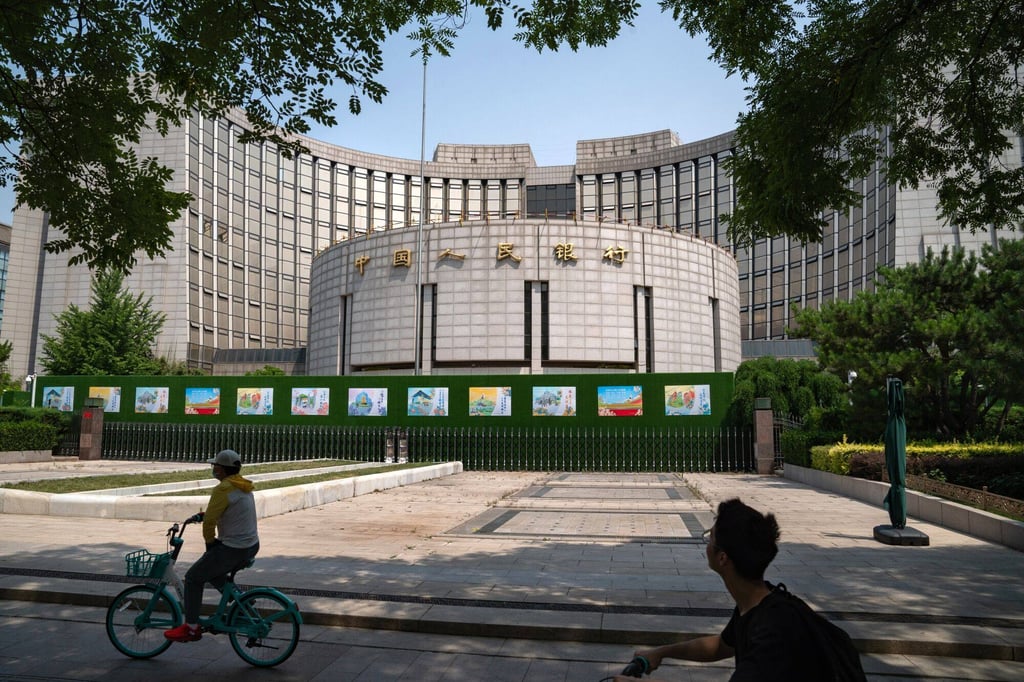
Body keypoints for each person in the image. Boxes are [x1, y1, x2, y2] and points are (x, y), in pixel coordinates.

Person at [615, 498, 836, 681]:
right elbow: (721, 645)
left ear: (723, 558)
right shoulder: (759, 603)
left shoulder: (771, 636)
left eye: (710, 539)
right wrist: (662, 652)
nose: (707, 545)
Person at [164, 449, 259, 643]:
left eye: (215, 465)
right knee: (214, 573)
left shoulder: (223, 489)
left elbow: (210, 524)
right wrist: (203, 516)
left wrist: (210, 544)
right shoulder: (242, 485)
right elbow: (225, 512)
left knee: (192, 578)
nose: (213, 468)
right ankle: (244, 606)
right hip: (250, 544)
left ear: (222, 469)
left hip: (234, 547)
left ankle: (191, 627)